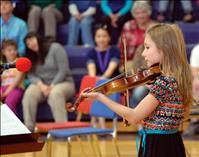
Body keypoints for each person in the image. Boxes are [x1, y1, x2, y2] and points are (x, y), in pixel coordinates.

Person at [81, 23, 193, 157]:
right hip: (172, 142)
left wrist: (101, 98)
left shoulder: (164, 82)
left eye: (147, 47)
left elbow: (134, 117)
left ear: (164, 49)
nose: (143, 53)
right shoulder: (176, 78)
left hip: (158, 146)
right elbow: (176, 117)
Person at [22, 32, 75, 131]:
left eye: (32, 40)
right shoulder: (30, 56)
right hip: (43, 85)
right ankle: (28, 130)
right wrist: (40, 85)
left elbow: (63, 70)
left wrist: (52, 86)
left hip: (63, 82)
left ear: (38, 38)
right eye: (28, 44)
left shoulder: (55, 48)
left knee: (55, 93)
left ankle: (63, 130)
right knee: (29, 94)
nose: (31, 44)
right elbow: (30, 74)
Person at [86, 24, 120, 128]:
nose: (101, 39)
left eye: (104, 36)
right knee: (95, 86)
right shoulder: (91, 52)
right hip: (97, 82)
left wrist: (101, 80)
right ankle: (99, 121)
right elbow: (91, 70)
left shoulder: (115, 50)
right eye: (98, 36)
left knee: (101, 86)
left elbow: (111, 69)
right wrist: (95, 82)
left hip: (112, 81)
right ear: (95, 38)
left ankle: (98, 120)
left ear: (109, 37)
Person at [0, 40, 25, 115]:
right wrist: (1, 91)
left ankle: (13, 124)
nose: (12, 52)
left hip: (16, 88)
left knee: (9, 102)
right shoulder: (1, 64)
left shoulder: (20, 62)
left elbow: (17, 80)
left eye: (14, 50)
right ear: (3, 52)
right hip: (3, 88)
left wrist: (6, 92)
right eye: (9, 50)